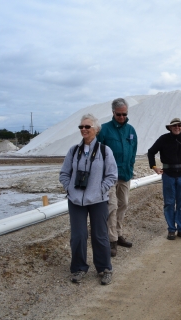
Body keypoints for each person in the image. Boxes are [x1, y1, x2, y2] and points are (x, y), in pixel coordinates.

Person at [59, 114, 117, 286]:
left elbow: (112, 175)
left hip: (98, 200)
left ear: (96, 130)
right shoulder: (73, 151)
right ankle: (78, 268)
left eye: (87, 127)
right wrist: (69, 188)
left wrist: (100, 189)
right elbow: (64, 173)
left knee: (100, 236)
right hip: (76, 200)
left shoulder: (105, 151)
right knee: (78, 235)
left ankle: (104, 268)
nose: (83, 129)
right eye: (81, 127)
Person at [97, 98, 137, 257]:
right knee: (112, 206)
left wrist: (131, 167)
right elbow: (97, 152)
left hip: (125, 174)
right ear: (113, 113)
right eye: (119, 114)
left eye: (124, 114)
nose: (122, 117)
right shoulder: (104, 130)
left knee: (124, 204)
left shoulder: (131, 130)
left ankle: (118, 233)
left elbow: (133, 152)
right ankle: (111, 240)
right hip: (109, 177)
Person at [147, 118, 181, 240]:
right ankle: (171, 230)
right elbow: (151, 152)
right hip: (168, 175)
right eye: (174, 125)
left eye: (179, 125)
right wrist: (154, 167)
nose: (177, 127)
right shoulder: (163, 139)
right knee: (169, 203)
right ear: (170, 127)